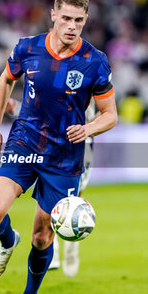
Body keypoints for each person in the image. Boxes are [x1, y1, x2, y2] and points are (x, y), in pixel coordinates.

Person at [0, 0, 118, 294]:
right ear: (53, 15)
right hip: (24, 143)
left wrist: (87, 130)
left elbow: (110, 114)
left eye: (79, 21)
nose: (72, 26)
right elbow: (5, 82)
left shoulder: (94, 62)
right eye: (67, 18)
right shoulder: (27, 48)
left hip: (64, 158)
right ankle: (7, 240)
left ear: (85, 21)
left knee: (42, 235)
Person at [49, 98, 96, 277]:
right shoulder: (49, 70)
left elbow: (106, 110)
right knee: (49, 188)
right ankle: (51, 244)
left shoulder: (94, 72)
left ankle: (72, 245)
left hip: (82, 140)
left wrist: (90, 125)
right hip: (49, 136)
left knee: (75, 193)